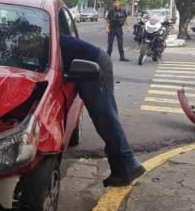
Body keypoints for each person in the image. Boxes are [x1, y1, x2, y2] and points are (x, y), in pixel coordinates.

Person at [60, 33, 146, 187]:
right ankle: (121, 171)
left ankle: (129, 164)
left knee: (105, 116)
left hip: (95, 64)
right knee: (104, 117)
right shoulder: (37, 34)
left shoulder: (43, 37)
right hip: (89, 62)